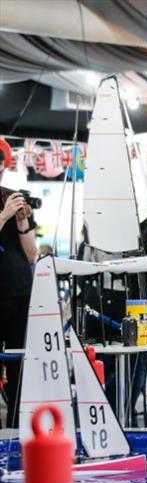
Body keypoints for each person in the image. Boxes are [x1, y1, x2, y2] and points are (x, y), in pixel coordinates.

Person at [0, 149, 37, 428]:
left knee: (20, 364)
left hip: (19, 290)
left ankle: (16, 425)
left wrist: (22, 220)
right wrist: (4, 216)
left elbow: (31, 254)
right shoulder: (6, 205)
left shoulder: (11, 196)